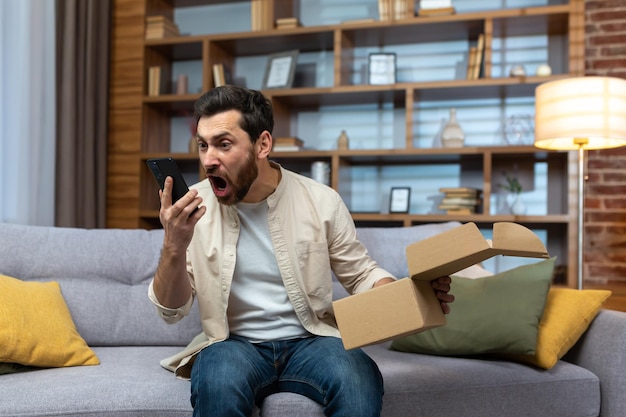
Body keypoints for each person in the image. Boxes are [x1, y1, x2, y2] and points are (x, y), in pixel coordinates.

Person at [148, 85, 454, 417]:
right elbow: (171, 311)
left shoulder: (321, 200)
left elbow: (362, 274)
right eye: (203, 146)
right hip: (233, 344)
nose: (208, 160)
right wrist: (173, 246)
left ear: (262, 144)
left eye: (224, 144)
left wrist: (410, 297)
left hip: (312, 340)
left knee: (358, 378)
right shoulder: (192, 207)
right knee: (217, 382)